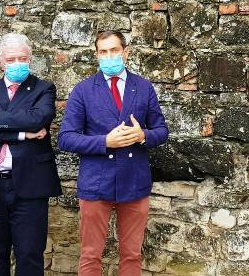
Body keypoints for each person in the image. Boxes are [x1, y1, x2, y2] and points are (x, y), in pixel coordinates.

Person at [58, 30, 169, 276]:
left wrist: (143, 136)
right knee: (90, 254)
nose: (109, 56)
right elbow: (65, 138)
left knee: (132, 254)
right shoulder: (83, 90)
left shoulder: (144, 87)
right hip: (96, 182)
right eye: (103, 52)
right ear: (96, 55)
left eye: (114, 50)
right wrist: (105, 142)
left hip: (135, 181)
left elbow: (162, 131)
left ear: (125, 52)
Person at [0, 33, 61, 276]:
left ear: (30, 59)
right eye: (11, 59)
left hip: (30, 183)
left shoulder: (44, 89)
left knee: (29, 254)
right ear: (0, 62)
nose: (17, 63)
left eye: (22, 58)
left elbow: (38, 119)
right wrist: (23, 134)